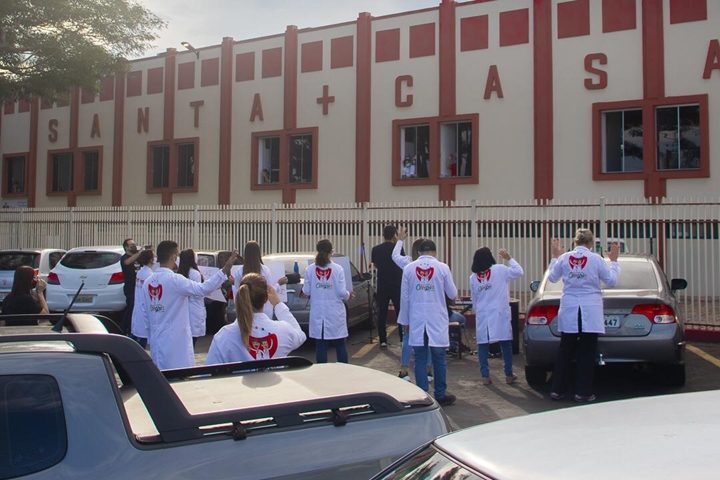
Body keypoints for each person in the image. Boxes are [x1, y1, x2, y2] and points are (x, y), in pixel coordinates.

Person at [548, 229, 620, 403]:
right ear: (591, 243)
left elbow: (552, 278)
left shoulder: (564, 258)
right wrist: (615, 262)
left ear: (575, 242)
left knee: (565, 350)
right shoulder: (596, 259)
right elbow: (611, 281)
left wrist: (555, 257)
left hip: (570, 306)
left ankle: (558, 390)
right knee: (587, 352)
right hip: (590, 307)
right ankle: (583, 392)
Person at [142, 240, 237, 370]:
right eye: (178, 254)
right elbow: (202, 289)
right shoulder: (175, 280)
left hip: (157, 343)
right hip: (176, 346)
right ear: (173, 257)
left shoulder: (148, 282)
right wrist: (224, 270)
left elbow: (145, 314)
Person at [398, 239, 458, 406]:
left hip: (416, 317)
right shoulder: (443, 268)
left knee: (419, 357)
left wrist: (405, 321)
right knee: (439, 357)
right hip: (436, 317)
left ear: (418, 252)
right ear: (435, 252)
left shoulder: (409, 269)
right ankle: (440, 393)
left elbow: (404, 298)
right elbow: (452, 293)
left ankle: (423, 394)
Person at [205, 273, 306, 365]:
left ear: (240, 296)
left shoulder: (224, 336)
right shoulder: (283, 330)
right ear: (266, 299)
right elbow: (300, 335)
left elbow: (209, 373)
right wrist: (278, 304)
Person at [469, 247, 524, 386]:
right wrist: (509, 258)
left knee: (482, 344)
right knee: (505, 343)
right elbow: (519, 271)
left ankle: (485, 376)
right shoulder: (500, 270)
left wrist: (478, 311)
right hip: (499, 313)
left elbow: (474, 299)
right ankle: (508, 374)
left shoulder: (473, 277)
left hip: (482, 313)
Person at [302, 239, 355, 363]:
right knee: (340, 345)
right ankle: (343, 371)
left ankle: (322, 374)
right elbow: (342, 292)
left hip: (318, 312)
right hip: (335, 313)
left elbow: (306, 291)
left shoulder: (310, 269)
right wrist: (349, 295)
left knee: (321, 346)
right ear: (332, 251)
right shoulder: (338, 269)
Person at [392, 232, 432, 382]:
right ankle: (428, 371)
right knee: (427, 339)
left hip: (411, 307)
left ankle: (404, 370)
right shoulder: (434, 265)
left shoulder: (408, 263)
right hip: (427, 307)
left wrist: (400, 241)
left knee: (408, 339)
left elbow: (394, 256)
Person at [232, 241, 287, 319]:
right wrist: (279, 283)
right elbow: (270, 291)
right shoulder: (264, 270)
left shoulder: (239, 271)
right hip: (264, 311)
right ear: (258, 253)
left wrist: (233, 283)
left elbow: (237, 293)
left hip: (246, 311)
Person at [371, 225, 404, 347]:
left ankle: (383, 340)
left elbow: (376, 264)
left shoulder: (376, 249)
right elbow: (402, 263)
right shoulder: (398, 248)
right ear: (395, 234)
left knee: (382, 311)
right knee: (400, 311)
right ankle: (402, 338)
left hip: (382, 284)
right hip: (396, 284)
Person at [177, 249, 206, 347]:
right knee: (192, 342)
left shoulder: (179, 273)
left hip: (183, 309)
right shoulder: (195, 273)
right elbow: (197, 292)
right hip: (194, 309)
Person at [130, 250, 154, 348]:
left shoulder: (140, 272)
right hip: (144, 309)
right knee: (142, 338)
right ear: (151, 260)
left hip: (138, 308)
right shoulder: (150, 275)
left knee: (136, 335)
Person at [120, 238, 144, 335]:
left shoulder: (138, 257)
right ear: (126, 247)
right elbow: (127, 262)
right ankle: (123, 329)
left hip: (139, 287)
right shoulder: (124, 258)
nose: (134, 246)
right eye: (131, 245)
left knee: (137, 309)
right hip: (130, 288)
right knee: (131, 309)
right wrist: (139, 253)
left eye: (135, 244)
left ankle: (131, 329)